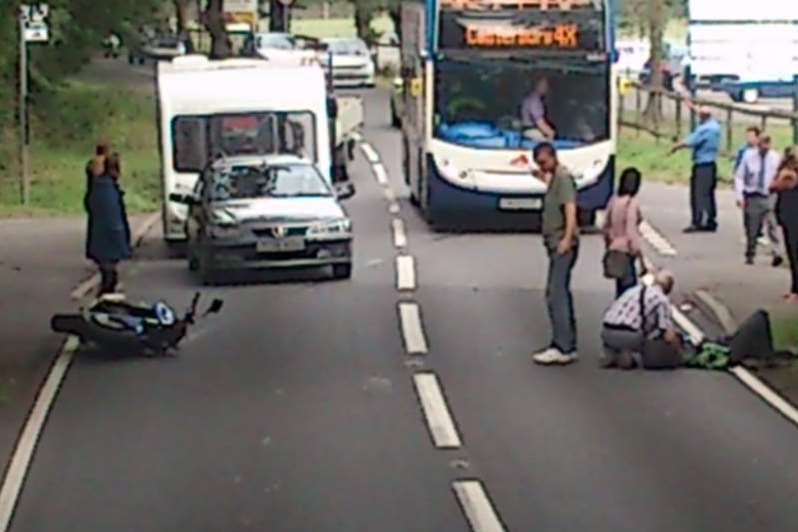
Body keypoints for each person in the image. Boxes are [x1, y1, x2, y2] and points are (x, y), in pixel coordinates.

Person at [531, 143, 580, 365]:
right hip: (556, 242)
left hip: (562, 243)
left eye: (543, 162)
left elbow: (570, 209)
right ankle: (567, 343)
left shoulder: (563, 178)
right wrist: (541, 177)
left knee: (555, 293)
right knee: (560, 292)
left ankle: (562, 345)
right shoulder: (555, 178)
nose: (541, 166)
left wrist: (567, 238)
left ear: (553, 157)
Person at [600, 270, 681, 369]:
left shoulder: (633, 290)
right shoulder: (662, 300)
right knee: (650, 335)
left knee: (631, 326)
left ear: (654, 282)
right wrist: (677, 348)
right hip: (630, 336)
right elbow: (667, 335)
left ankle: (612, 352)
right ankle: (628, 353)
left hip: (606, 331)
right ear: (669, 289)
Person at [669, 105, 721, 233]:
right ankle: (710, 220)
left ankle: (699, 221)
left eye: (700, 115)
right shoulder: (714, 126)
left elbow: (692, 140)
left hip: (703, 164)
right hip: (710, 164)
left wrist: (676, 146)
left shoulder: (706, 129)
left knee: (699, 194)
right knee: (708, 194)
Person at [86, 153, 132, 296]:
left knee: (107, 269)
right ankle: (107, 295)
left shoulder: (101, 187)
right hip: (109, 234)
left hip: (104, 234)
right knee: (109, 270)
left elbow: (90, 206)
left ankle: (106, 293)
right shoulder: (107, 188)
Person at [734, 134, 784, 266]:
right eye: (763, 144)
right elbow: (739, 177)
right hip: (753, 195)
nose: (765, 147)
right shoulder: (748, 156)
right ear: (758, 144)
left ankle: (777, 252)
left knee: (772, 224)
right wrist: (739, 196)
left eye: (768, 145)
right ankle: (750, 252)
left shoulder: (775, 157)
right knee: (752, 227)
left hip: (769, 195)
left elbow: (780, 175)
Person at [603, 167, 645, 297]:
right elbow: (631, 232)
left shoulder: (614, 200)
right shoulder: (631, 203)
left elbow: (606, 226)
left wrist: (609, 243)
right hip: (626, 251)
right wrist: (640, 258)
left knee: (620, 288)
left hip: (614, 248)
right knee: (629, 292)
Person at [770, 149, 798, 302]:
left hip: (794, 217)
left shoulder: (791, 176)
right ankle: (794, 288)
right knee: (792, 254)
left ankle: (796, 290)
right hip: (786, 216)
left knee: (795, 254)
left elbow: (782, 184)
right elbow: (772, 186)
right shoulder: (783, 172)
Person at [520, 76, 555, 141]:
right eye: (543, 84)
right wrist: (551, 133)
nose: (546, 87)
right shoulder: (535, 100)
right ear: (536, 85)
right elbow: (539, 121)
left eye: (546, 85)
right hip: (532, 133)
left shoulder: (532, 98)